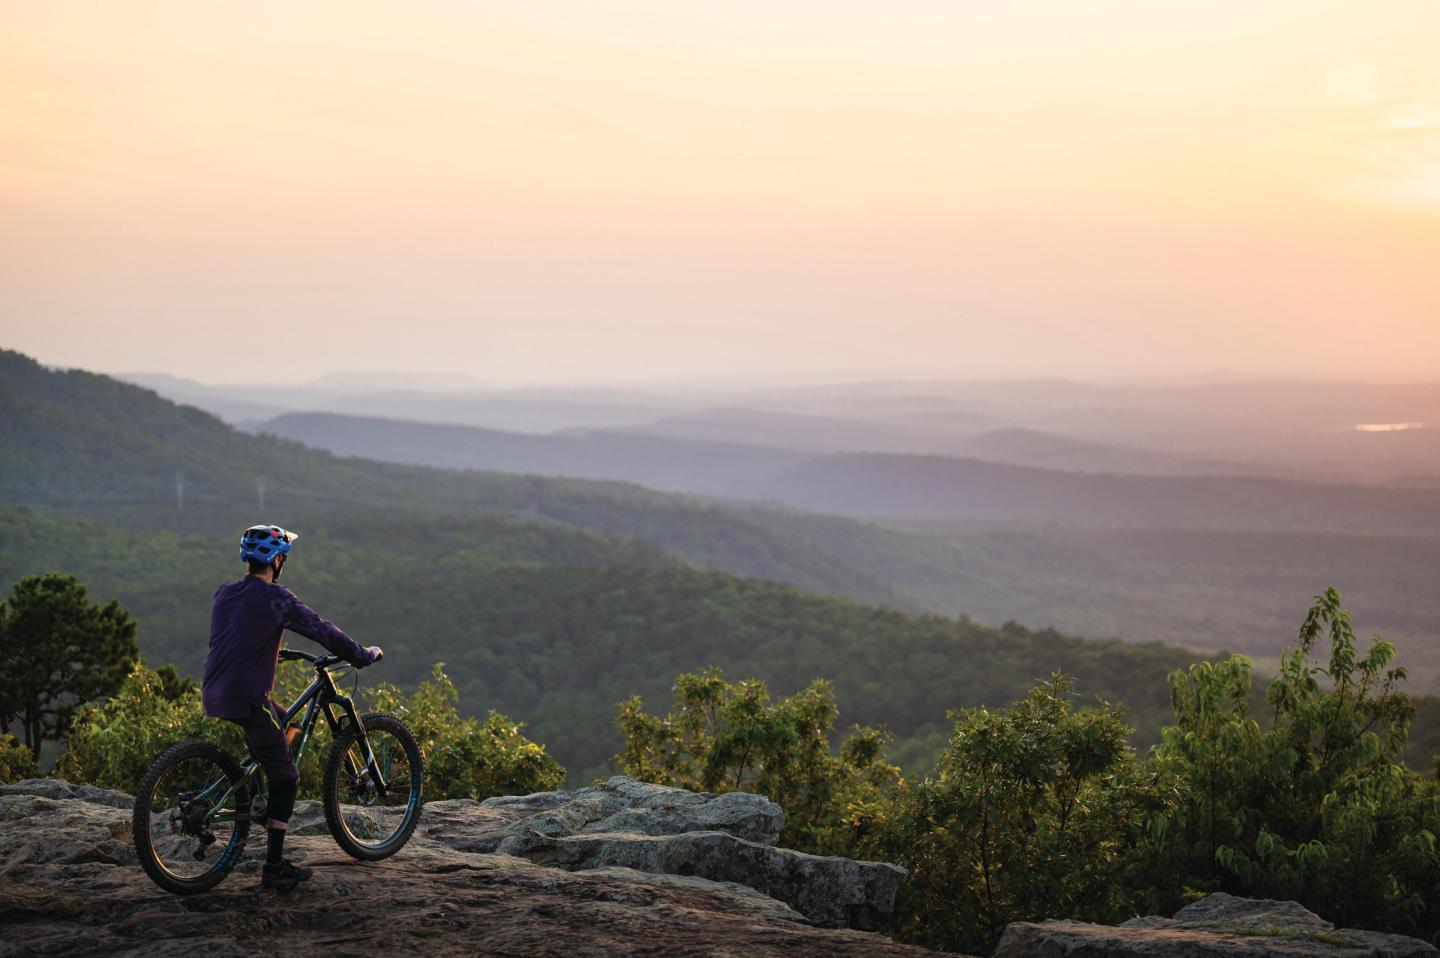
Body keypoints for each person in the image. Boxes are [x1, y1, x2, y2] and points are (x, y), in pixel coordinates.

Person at [201, 524, 382, 891]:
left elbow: (232, 634)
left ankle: (254, 789)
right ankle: (274, 866)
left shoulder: (225, 593)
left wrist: (270, 648)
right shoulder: (276, 599)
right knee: (287, 776)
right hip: (248, 697)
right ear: (277, 560)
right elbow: (321, 629)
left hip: (216, 690)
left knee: (285, 722)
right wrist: (360, 655)